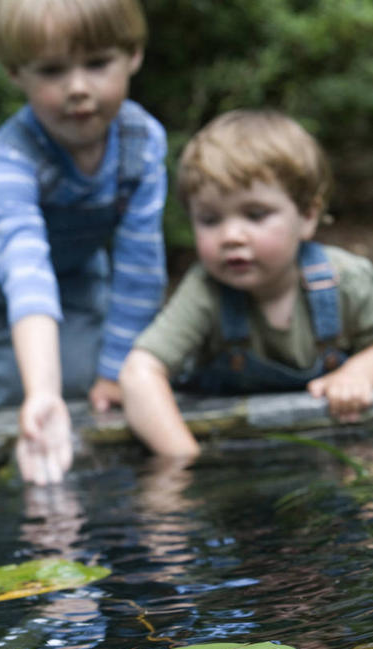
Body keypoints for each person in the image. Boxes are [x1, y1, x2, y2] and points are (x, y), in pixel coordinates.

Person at [0, 0, 167, 485]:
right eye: (52, 70)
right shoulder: (13, 159)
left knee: (94, 371)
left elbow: (140, 267)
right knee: (12, 383)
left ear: (133, 54)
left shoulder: (144, 144)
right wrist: (42, 392)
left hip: (72, 256)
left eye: (97, 64)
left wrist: (114, 371)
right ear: (15, 73)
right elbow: (25, 269)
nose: (78, 88)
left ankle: (91, 479)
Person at [120, 109, 373, 460]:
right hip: (239, 457)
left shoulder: (344, 279)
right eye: (210, 219)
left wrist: (360, 370)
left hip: (332, 448)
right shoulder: (206, 291)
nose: (231, 236)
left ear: (307, 216)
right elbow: (139, 372)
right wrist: (185, 465)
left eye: (255, 215)